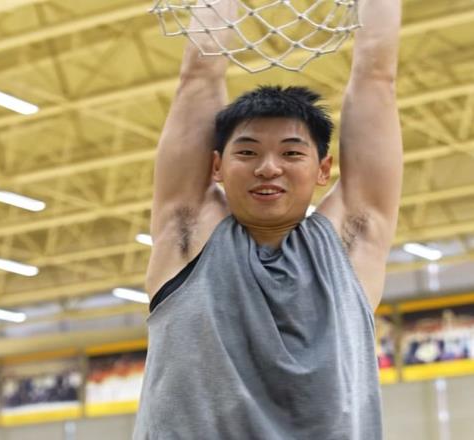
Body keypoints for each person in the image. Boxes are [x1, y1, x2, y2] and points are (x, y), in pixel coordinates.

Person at [134, 0, 402, 438]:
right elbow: (199, 75)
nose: (268, 167)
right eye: (248, 152)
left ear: (323, 170)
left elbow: (377, 77)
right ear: (217, 166)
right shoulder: (186, 233)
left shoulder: (352, 241)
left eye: (291, 153)